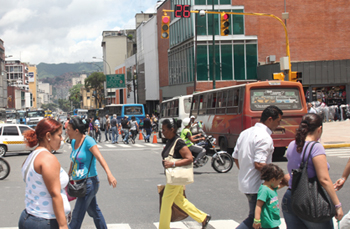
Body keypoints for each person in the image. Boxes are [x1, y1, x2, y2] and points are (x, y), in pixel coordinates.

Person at [282, 113, 343, 229]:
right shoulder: (316, 147)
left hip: (291, 197)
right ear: (319, 129)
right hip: (311, 201)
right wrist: (337, 205)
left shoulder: (292, 144)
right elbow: (324, 179)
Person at [233, 105, 284, 229]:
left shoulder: (246, 133)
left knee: (262, 218)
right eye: (278, 121)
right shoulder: (264, 137)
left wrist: (246, 171)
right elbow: (259, 164)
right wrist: (277, 175)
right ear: (270, 119)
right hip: (258, 185)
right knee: (259, 217)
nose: (278, 125)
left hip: (246, 182)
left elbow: (235, 157)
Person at [66, 117, 117, 229]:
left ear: (76, 131)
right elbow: (73, 160)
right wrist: (68, 176)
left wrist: (109, 174)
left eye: (68, 129)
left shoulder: (88, 141)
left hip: (89, 183)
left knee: (76, 217)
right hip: (78, 183)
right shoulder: (74, 141)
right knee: (94, 212)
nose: (66, 131)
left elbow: (100, 158)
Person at [159, 118, 211, 229]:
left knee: (166, 201)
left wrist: (172, 164)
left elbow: (189, 158)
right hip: (173, 177)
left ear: (172, 129)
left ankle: (163, 227)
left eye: (164, 130)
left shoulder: (179, 142)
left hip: (176, 177)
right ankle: (203, 218)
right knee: (179, 200)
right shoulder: (170, 140)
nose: (162, 132)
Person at [19, 118, 70, 229]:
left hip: (28, 217)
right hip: (45, 221)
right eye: (59, 135)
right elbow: (55, 195)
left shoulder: (32, 156)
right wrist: (63, 225)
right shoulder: (48, 159)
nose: (61, 139)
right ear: (48, 136)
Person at [253, 164, 284, 229]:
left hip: (274, 221)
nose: (280, 182)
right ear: (273, 180)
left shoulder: (272, 187)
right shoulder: (264, 190)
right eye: (279, 181)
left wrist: (287, 183)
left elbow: (279, 186)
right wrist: (257, 219)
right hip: (268, 223)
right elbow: (258, 205)